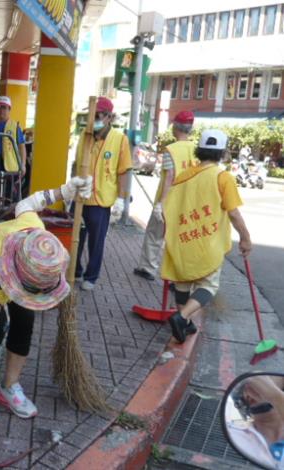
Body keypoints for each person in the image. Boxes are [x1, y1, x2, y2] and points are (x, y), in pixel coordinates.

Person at [0, 176, 92, 455]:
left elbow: (28, 202)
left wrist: (66, 190)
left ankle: (10, 386)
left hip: (14, 258)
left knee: (25, 319)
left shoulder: (33, 230)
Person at [163, 130, 252, 343]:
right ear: (221, 152)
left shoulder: (184, 176)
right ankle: (181, 317)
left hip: (182, 239)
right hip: (207, 243)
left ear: (199, 151)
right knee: (208, 285)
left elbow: (170, 207)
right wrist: (246, 238)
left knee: (182, 284)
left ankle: (185, 324)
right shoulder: (223, 177)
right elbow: (233, 213)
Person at [73, 96, 132, 291]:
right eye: (92, 115)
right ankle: (76, 270)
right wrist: (71, 189)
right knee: (76, 238)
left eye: (98, 115)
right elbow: (76, 163)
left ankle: (91, 276)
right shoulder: (85, 134)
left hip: (101, 200)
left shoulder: (119, 139)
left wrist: (122, 200)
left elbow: (124, 171)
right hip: (81, 197)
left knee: (95, 241)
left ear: (108, 117)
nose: (94, 119)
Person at [134, 111, 197, 281]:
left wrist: (161, 204)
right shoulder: (196, 149)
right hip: (188, 202)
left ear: (176, 127)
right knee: (181, 239)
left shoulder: (172, 150)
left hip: (169, 201)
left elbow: (170, 175)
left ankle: (148, 268)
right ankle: (181, 276)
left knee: (155, 234)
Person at [0, 96, 27, 200]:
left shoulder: (15, 126)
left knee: (9, 194)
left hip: (10, 165)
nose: (1, 110)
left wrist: (22, 164)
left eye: (4, 108)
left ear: (9, 109)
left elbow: (21, 146)